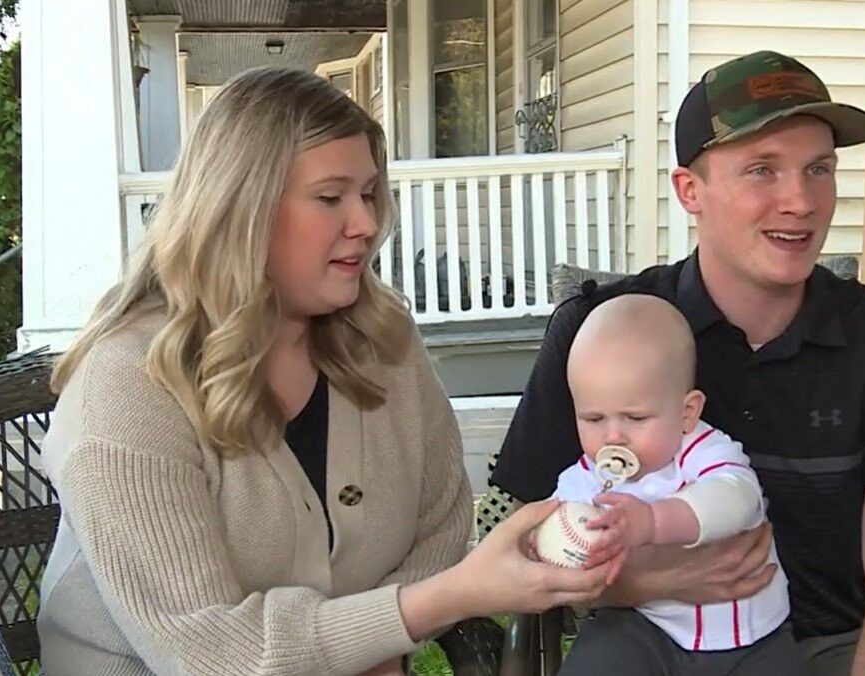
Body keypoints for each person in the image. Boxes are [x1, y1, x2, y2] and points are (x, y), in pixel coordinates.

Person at [36, 67, 614, 676]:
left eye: (368, 193)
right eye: (330, 196)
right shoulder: (126, 383)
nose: (365, 222)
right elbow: (204, 652)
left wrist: (377, 643)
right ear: (241, 208)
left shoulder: (383, 337)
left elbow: (440, 528)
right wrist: (410, 616)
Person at [486, 50, 865, 675]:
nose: (801, 201)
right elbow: (514, 535)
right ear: (691, 190)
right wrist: (654, 579)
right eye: (762, 170)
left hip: (832, 653)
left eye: (818, 169)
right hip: (646, 641)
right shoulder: (603, 331)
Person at [544, 294, 806, 675]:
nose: (613, 435)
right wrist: (550, 542)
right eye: (594, 418)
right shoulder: (584, 479)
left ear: (687, 412)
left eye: (636, 417)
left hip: (750, 636)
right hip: (644, 625)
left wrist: (653, 522)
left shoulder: (703, 449)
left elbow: (737, 498)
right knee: (596, 658)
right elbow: (552, 530)